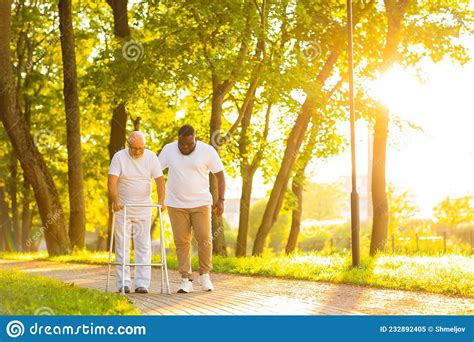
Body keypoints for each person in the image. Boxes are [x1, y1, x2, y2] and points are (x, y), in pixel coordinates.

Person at [159, 125, 225, 293]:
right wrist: (160, 198)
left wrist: (221, 200)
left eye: (189, 144)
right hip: (176, 203)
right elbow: (156, 172)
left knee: (204, 237)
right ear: (178, 140)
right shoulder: (169, 149)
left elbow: (219, 175)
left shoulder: (207, 150)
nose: (185, 147)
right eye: (182, 144)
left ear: (196, 139)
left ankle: (204, 274)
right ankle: (186, 278)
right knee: (182, 241)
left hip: (201, 202)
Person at [108, 131, 166, 294]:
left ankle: (142, 283)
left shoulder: (151, 157)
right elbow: (112, 181)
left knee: (143, 245)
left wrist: (161, 200)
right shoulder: (119, 157)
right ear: (128, 145)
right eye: (135, 148)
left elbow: (160, 180)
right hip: (123, 208)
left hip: (144, 208)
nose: (138, 152)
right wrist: (116, 199)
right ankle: (123, 283)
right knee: (122, 245)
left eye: (141, 148)